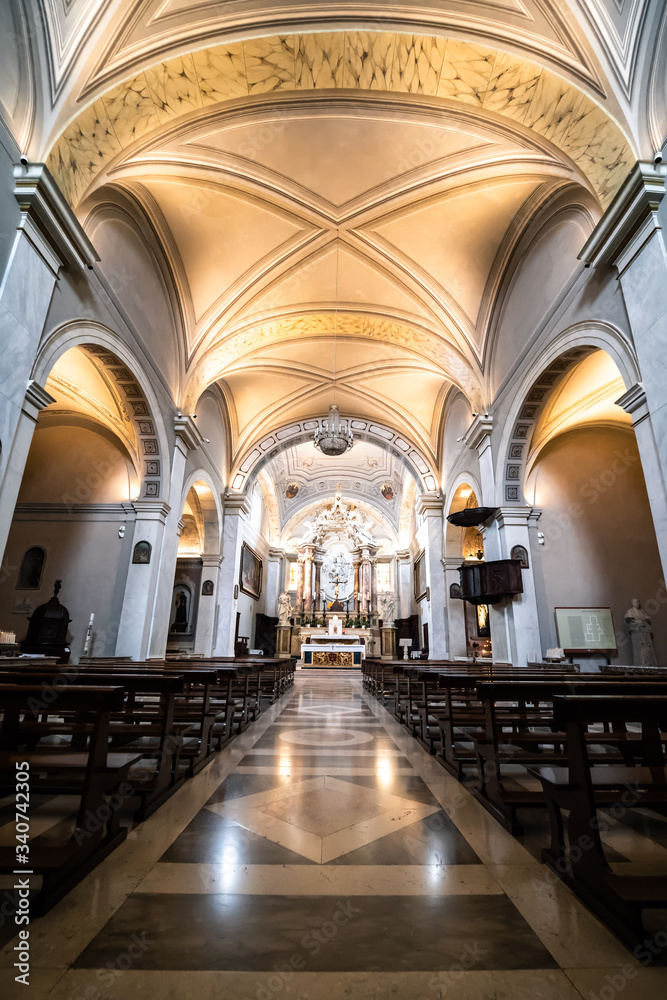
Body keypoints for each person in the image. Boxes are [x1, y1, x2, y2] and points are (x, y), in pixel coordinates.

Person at [624, 598, 657, 667]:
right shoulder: (630, 611)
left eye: (638, 602)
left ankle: (649, 664)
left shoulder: (641, 612)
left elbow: (647, 618)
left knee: (648, 648)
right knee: (639, 649)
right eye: (636, 602)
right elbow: (629, 621)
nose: (638, 603)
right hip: (637, 632)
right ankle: (641, 665)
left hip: (644, 631)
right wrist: (638, 624)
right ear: (632, 603)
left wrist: (643, 623)